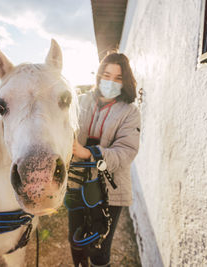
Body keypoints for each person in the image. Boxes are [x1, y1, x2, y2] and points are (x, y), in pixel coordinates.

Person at [67, 52, 140, 267]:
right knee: (76, 240)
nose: (110, 82)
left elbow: (126, 152)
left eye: (118, 78)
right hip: (76, 182)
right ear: (98, 76)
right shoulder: (78, 102)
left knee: (99, 247)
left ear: (125, 81)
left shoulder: (130, 112)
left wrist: (88, 153)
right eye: (107, 75)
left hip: (110, 190)